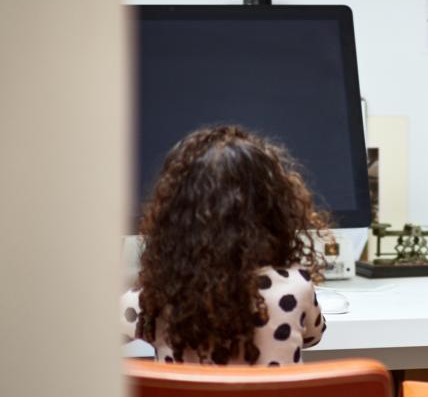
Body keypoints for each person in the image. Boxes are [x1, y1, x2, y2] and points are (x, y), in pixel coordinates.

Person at [121, 125, 330, 366]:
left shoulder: (152, 298)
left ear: (173, 217)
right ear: (274, 212)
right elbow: (313, 336)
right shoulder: (295, 288)